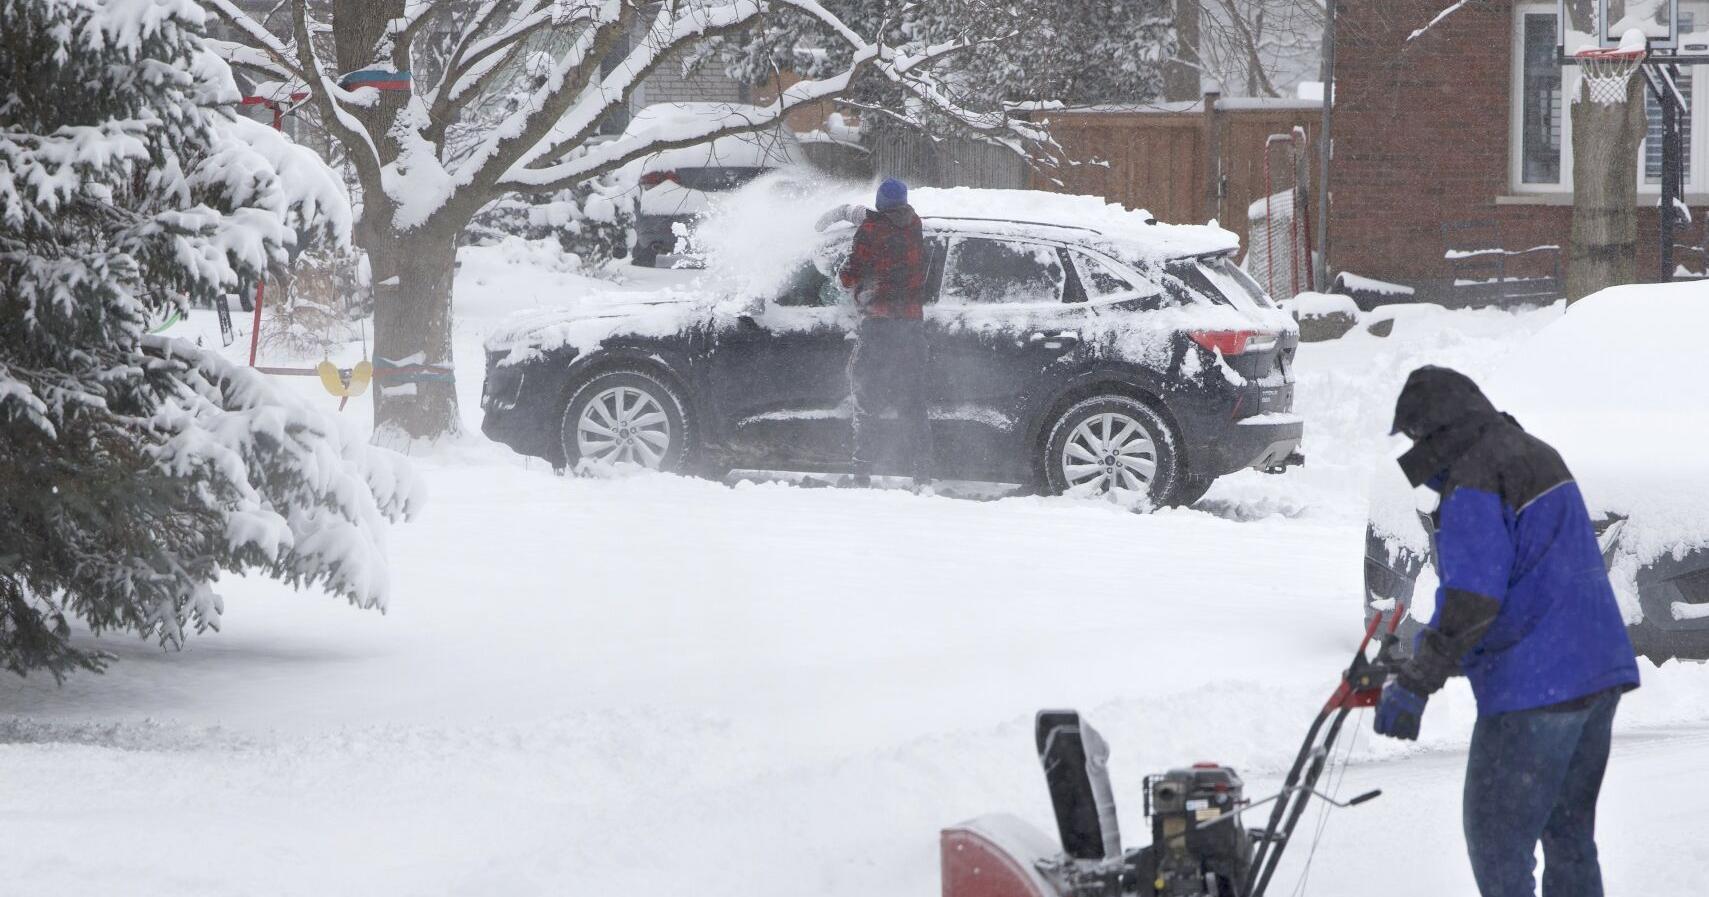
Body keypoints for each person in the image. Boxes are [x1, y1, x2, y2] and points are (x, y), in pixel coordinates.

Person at [1373, 365, 1640, 897]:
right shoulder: (1536, 453)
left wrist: (1416, 681)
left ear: (1437, 430)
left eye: (1417, 437)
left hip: (1536, 691)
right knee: (1569, 838)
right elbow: (1529, 578)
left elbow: (1474, 599)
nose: (1415, 452)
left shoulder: (1474, 476)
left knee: (1497, 844)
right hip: (1598, 674)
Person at [839, 178, 933, 489]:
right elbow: (888, 223)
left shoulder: (871, 230)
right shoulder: (914, 224)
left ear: (880, 203)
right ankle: (922, 475)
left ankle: (862, 472)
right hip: (910, 326)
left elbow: (849, 276)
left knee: (868, 400)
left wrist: (845, 271)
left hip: (879, 326)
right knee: (914, 402)